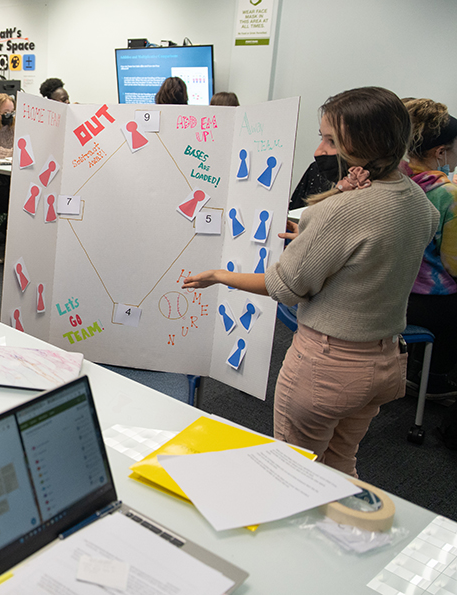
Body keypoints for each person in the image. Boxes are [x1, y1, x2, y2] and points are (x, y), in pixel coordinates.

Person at [183, 86, 437, 477]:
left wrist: (219, 275)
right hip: (384, 362)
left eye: (331, 140)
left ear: (364, 144)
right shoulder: (420, 202)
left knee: (293, 473)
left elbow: (285, 287)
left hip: (329, 366)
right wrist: (317, 237)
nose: (319, 150)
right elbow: (370, 257)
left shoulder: (341, 210)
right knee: (340, 463)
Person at [399, 98, 457, 397]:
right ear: (441, 152)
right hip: (428, 299)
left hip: (394, 290)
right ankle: (434, 379)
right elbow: (452, 265)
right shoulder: (447, 193)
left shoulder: (396, 176)